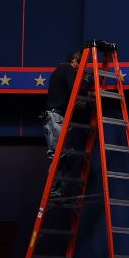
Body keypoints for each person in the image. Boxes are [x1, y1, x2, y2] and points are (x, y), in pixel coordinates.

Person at [42, 50, 81, 198]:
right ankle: (53, 191)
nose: (78, 70)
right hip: (55, 117)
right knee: (59, 154)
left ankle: (58, 192)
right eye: (79, 65)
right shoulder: (67, 69)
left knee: (65, 155)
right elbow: (74, 90)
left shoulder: (62, 70)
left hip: (56, 117)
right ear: (75, 61)